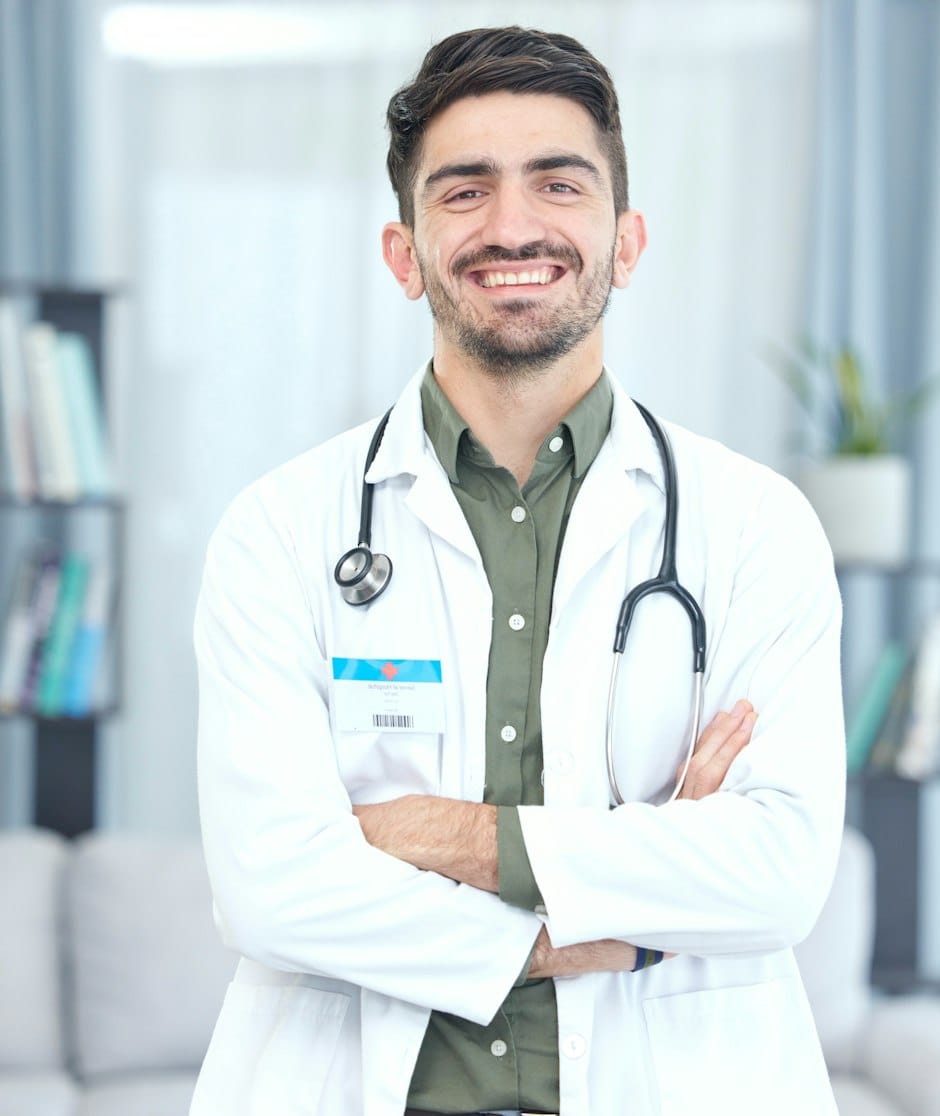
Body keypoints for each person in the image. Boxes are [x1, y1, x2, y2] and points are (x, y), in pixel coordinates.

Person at [189, 26, 845, 1116]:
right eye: (463, 191)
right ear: (404, 255)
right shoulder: (278, 529)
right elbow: (267, 887)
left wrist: (435, 836)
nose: (511, 226)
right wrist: (611, 920)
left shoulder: (754, 525)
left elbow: (776, 871)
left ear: (625, 241)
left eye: (557, 183)